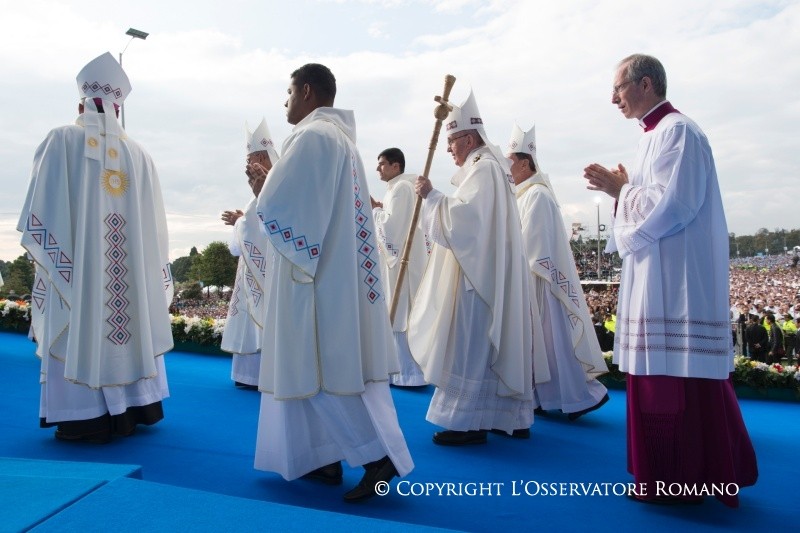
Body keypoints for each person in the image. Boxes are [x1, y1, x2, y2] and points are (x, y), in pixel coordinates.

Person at [583, 54, 757, 506]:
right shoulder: (652, 136)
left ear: (645, 84)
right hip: (656, 274)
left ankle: (677, 479)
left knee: (673, 378)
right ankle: (670, 475)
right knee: (663, 374)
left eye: (618, 87)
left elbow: (674, 206)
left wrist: (620, 191)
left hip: (676, 282)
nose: (613, 97)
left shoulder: (678, 131)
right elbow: (651, 202)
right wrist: (623, 189)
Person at [252, 63, 413, 502]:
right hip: (334, 277)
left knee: (314, 370)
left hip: (313, 283)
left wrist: (263, 190)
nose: (285, 102)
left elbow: (287, 213)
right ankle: (318, 458)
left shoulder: (312, 138)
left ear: (306, 91)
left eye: (288, 92)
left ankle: (375, 456)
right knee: (315, 371)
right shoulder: (340, 141)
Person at [18, 52, 172, 443]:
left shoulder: (61, 139)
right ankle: (137, 406)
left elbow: (42, 215)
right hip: (128, 283)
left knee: (79, 318)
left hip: (80, 278)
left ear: (80, 103)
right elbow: (155, 233)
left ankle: (85, 415)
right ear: (118, 108)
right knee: (129, 317)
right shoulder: (141, 156)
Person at [409, 90, 534, 444]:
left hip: (476, 278)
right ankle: (501, 415)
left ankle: (466, 423)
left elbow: (466, 222)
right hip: (484, 271)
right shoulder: (490, 168)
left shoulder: (483, 169)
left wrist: (432, 197)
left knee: (469, 345)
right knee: (483, 347)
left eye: (452, 142)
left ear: (468, 137)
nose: (449, 149)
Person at [507, 124, 609, 420]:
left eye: (510, 161)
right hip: (531, 279)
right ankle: (543, 398)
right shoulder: (522, 194)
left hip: (540, 282)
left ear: (525, 163)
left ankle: (578, 397)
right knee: (539, 347)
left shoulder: (537, 195)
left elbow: (533, 244)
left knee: (552, 345)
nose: (506, 167)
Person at [219, 118, 277, 390]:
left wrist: (241, 222)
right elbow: (253, 219)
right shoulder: (259, 188)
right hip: (252, 267)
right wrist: (242, 220)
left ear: (263, 157)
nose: (247, 163)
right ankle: (247, 374)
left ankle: (257, 375)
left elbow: (258, 222)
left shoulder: (273, 183)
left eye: (251, 156)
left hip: (267, 268)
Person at [371, 147, 428, 387]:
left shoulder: (401, 188)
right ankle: (405, 372)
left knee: (402, 312)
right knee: (403, 311)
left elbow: (392, 230)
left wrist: (375, 210)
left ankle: (408, 374)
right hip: (404, 260)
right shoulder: (402, 188)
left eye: (382, 163)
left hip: (401, 263)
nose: (378, 168)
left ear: (396, 166)